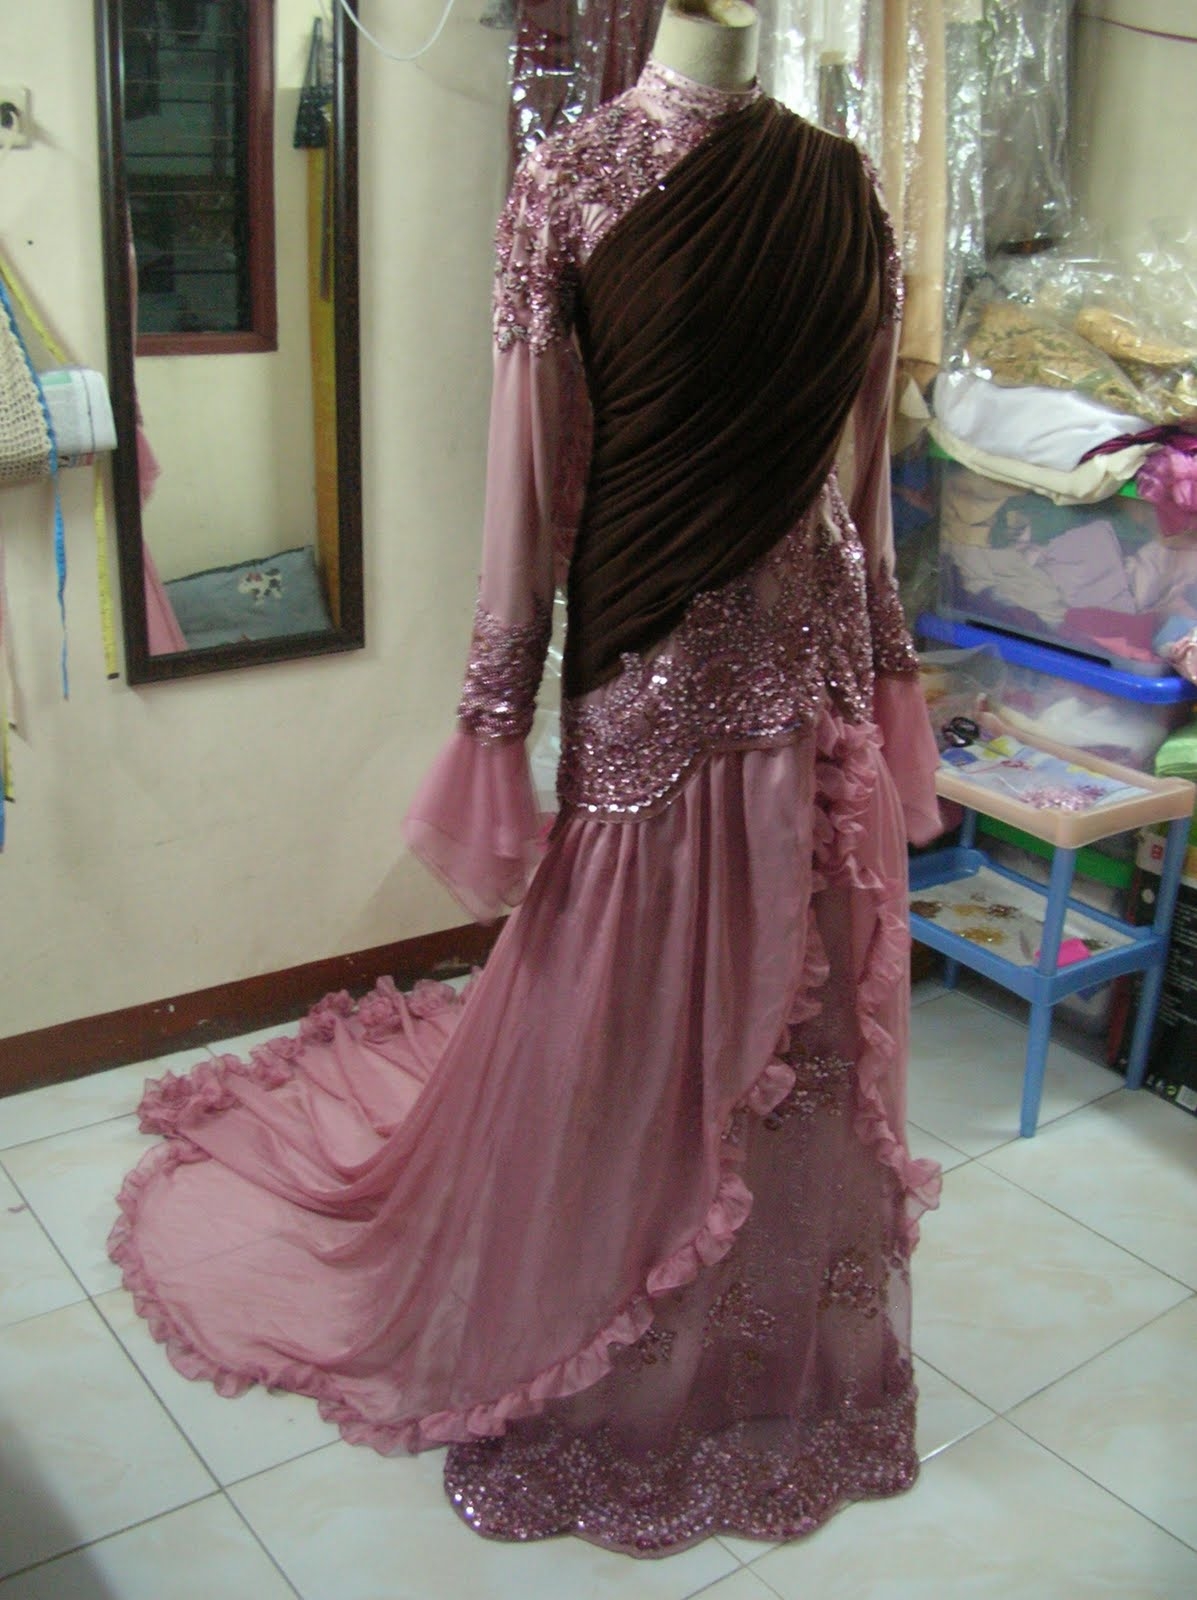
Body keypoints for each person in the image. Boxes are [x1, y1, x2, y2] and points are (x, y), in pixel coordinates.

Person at [109, 0, 943, 1558]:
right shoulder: (569, 179)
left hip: (811, 665)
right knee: (630, 1004)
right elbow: (529, 472)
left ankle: (770, 1344)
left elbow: (858, 474)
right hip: (652, 655)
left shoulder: (841, 183)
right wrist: (498, 702)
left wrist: (879, 653)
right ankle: (605, 1320)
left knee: (804, 1008)